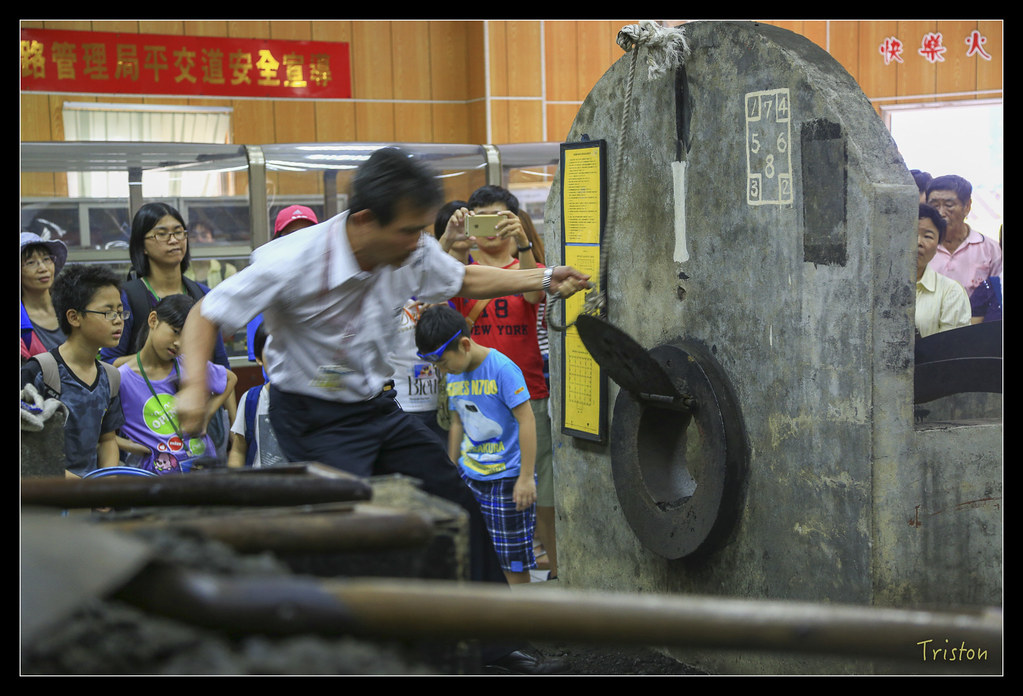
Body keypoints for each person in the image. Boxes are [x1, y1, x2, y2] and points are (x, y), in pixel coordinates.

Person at [176, 147, 584, 674]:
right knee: (344, 535)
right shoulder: (293, 260)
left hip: (376, 407)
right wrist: (192, 387)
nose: (419, 242)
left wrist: (543, 279)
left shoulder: (408, 248)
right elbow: (206, 314)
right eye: (409, 231)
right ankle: (332, 656)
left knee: (455, 502)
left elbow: (462, 279)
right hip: (312, 418)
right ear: (366, 219)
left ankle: (493, 648)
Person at [449, 185, 560, 581]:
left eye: (498, 219)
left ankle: (558, 570)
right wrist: (455, 244)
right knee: (482, 482)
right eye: (480, 220)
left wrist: (524, 241)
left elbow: (532, 297)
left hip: (528, 391)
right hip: (475, 396)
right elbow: (446, 295)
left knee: (540, 485)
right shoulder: (463, 271)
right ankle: (496, 573)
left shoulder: (525, 266)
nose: (489, 228)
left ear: (512, 220)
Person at [415, 304, 538, 585]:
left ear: (465, 344)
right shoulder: (453, 373)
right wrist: (452, 468)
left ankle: (519, 613)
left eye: (443, 363)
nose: (442, 370)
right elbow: (457, 423)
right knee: (475, 555)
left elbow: (527, 420)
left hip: (507, 481)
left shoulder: (502, 369)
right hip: (471, 476)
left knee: (512, 562)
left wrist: (525, 478)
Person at [21, 264, 126, 477]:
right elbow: (29, 451)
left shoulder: (110, 377)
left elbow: (107, 439)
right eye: (108, 312)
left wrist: (107, 482)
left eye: (120, 312)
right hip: (48, 491)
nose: (118, 320)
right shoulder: (40, 372)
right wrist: (82, 487)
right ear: (74, 317)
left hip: (91, 490)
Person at [116, 294, 236, 474]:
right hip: (157, 478)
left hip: (203, 470)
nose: (179, 343)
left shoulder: (188, 365)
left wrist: (207, 413)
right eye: (175, 331)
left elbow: (230, 379)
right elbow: (99, 433)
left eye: (187, 338)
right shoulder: (122, 378)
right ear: (153, 320)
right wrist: (130, 446)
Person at [925, 174, 1002, 296]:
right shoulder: (920, 247)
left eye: (949, 205)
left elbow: (997, 296)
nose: (940, 213)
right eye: (934, 206)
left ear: (967, 207)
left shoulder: (991, 250)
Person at [228, 321, 286, 468]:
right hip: (260, 481)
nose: (279, 359)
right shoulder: (251, 399)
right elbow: (238, 450)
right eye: (271, 352)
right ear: (259, 358)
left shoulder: (308, 398)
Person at [916, 203, 971, 339]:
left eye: (928, 236)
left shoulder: (951, 292)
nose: (918, 242)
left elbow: (951, 347)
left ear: (937, 246)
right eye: (911, 233)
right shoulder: (874, 285)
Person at [21, 232, 69, 361]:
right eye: (31, 262)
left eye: (46, 259)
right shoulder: (22, 322)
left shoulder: (71, 306)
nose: (43, 268)